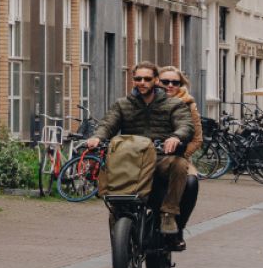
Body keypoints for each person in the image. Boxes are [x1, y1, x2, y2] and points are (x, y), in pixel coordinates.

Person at [82, 63, 197, 243]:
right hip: (130, 161)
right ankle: (120, 256)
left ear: (156, 81)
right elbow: (107, 124)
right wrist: (97, 137)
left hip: (160, 158)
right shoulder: (122, 104)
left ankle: (168, 213)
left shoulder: (174, 104)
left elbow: (185, 125)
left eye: (147, 79)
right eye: (138, 79)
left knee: (179, 165)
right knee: (117, 208)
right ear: (133, 80)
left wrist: (176, 137)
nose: (142, 82)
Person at [156, 66, 206, 247]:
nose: (169, 85)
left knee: (191, 183)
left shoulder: (188, 104)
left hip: (179, 156)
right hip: (148, 156)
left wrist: (181, 154)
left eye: (174, 82)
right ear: (156, 82)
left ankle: (177, 229)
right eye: (165, 82)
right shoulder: (145, 101)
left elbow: (197, 139)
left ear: (181, 85)